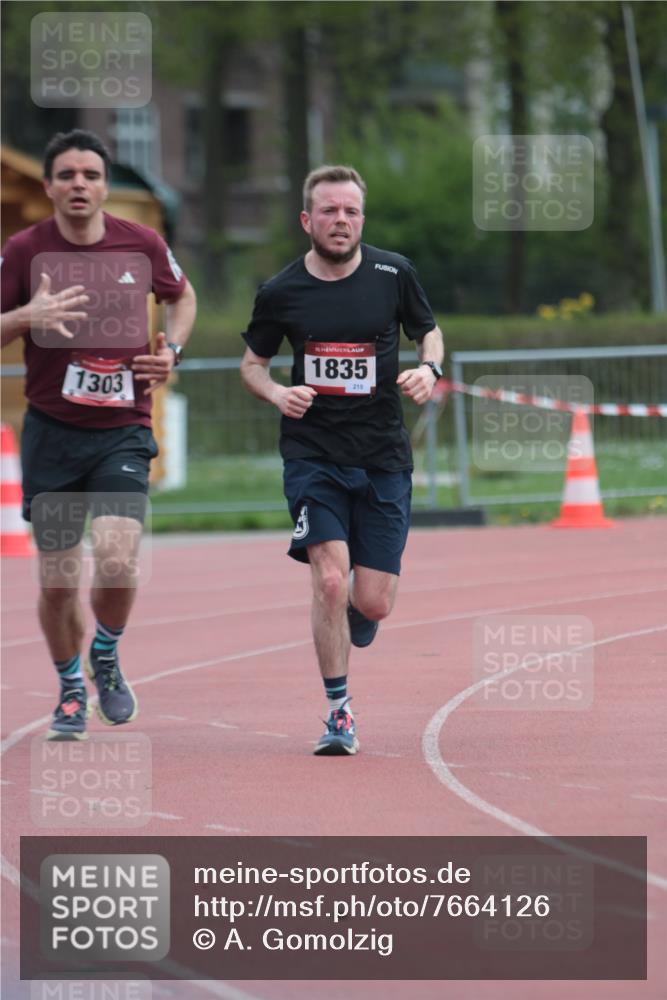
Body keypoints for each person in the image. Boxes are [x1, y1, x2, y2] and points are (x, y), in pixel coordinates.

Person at [240, 164, 443, 756]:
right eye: (329, 211)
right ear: (308, 220)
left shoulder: (393, 273)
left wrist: (429, 370)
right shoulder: (280, 292)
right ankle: (338, 712)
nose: (340, 220)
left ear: (362, 219)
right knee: (329, 579)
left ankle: (362, 611)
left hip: (382, 455)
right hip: (314, 455)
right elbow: (251, 365)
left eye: (350, 211)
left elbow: (429, 332)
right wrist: (279, 392)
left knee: (372, 599)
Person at [1, 129, 197, 740]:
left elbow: (182, 296)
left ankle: (105, 652)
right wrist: (24, 318)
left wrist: (175, 351)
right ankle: (67, 688)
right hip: (54, 435)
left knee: (116, 556)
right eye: (67, 175)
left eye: (90, 174)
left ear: (105, 185)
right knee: (58, 583)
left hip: (123, 430)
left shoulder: (140, 242)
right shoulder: (25, 249)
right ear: (49, 186)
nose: (79, 184)